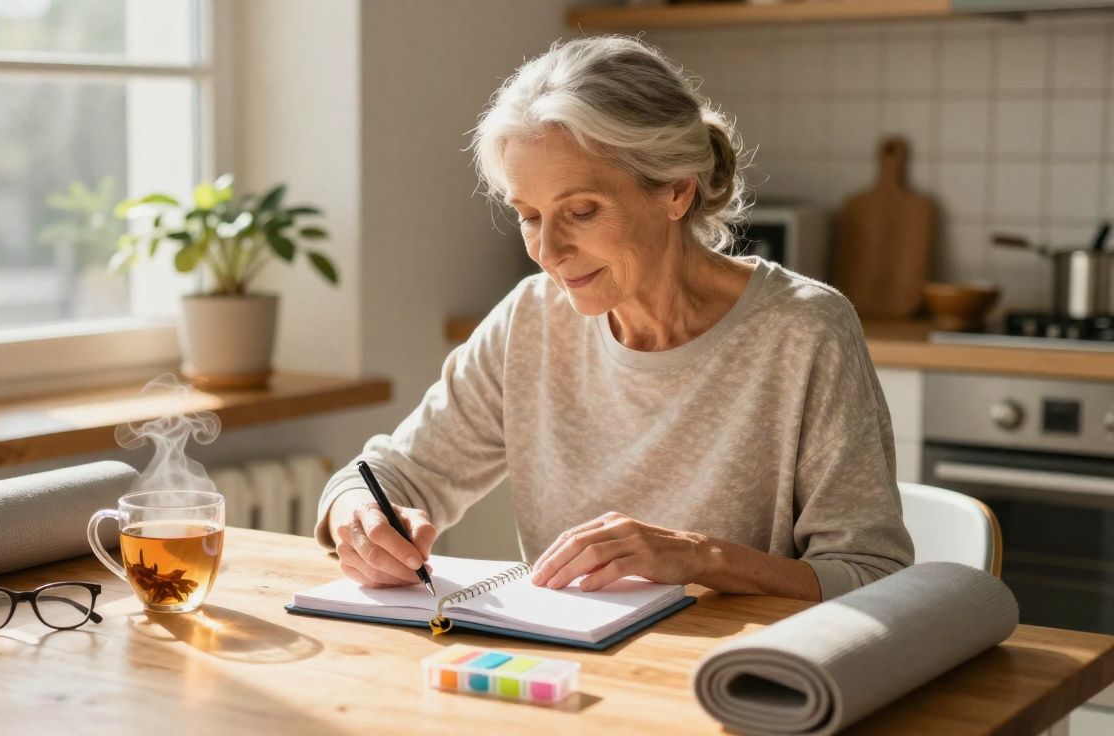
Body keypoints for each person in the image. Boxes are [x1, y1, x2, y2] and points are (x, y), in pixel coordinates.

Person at [314, 36, 913, 602]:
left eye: (581, 211)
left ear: (676, 192)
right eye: (529, 216)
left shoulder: (805, 332)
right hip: (567, 666)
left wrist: (699, 557)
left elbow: (872, 576)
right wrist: (359, 517)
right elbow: (389, 473)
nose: (549, 252)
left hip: (739, 670)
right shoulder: (531, 320)